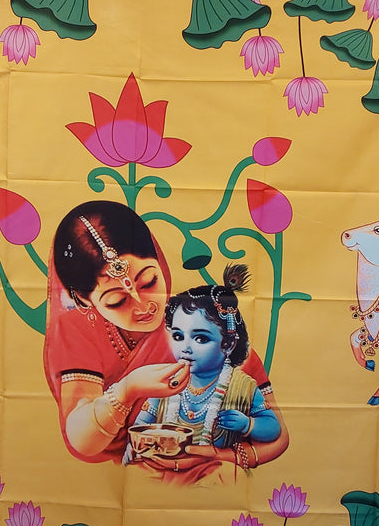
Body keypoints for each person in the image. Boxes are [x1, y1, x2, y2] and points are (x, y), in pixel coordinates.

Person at [44, 200, 288, 474]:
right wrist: (128, 391)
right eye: (116, 301)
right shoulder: (77, 330)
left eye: (149, 282)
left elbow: (278, 436)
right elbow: (83, 441)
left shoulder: (204, 320)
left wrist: (218, 456)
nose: (143, 306)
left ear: (159, 261)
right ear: (83, 300)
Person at [128, 265, 281, 456]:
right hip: (161, 467)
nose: (185, 347)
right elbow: (142, 424)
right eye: (178, 336)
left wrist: (248, 425)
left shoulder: (243, 386)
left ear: (228, 344)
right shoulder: (166, 381)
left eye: (200, 338)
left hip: (219, 470)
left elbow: (273, 427)